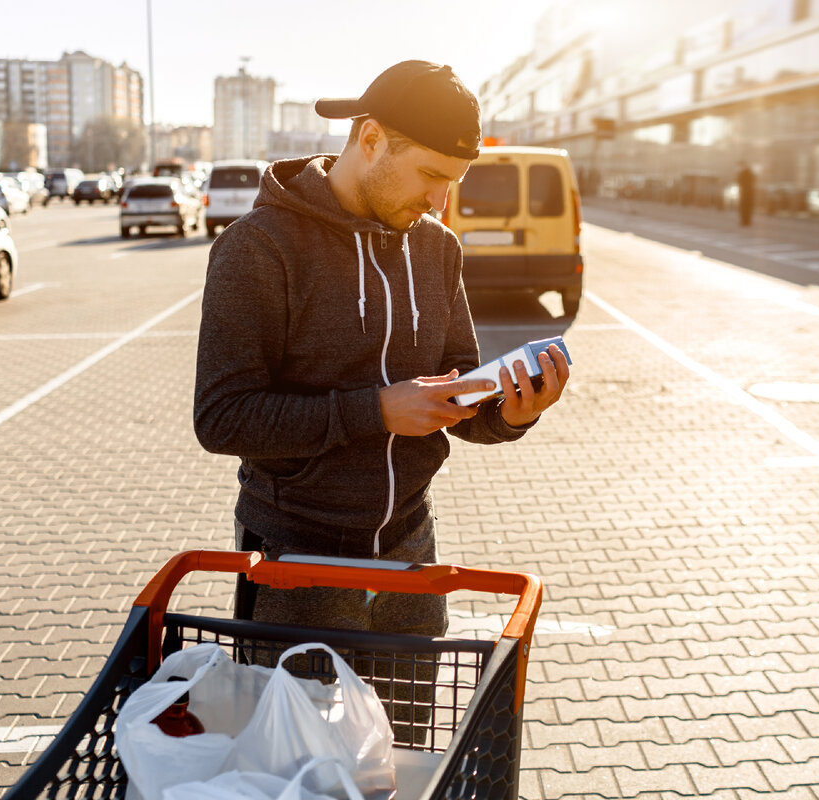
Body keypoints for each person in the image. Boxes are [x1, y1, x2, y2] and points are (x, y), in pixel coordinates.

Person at [192, 60, 570, 732]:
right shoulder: (258, 248)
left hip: (409, 555)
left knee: (404, 757)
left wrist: (509, 414)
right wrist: (375, 410)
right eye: (430, 177)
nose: (437, 203)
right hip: (295, 564)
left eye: (452, 186)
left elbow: (456, 395)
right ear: (369, 140)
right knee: (301, 767)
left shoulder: (438, 250)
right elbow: (222, 419)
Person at [736, 161, 756, 226]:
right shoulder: (750, 172)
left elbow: (738, 181)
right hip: (749, 192)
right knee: (748, 207)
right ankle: (747, 221)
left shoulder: (742, 173)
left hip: (744, 192)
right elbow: (754, 180)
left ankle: (744, 221)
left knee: (744, 207)